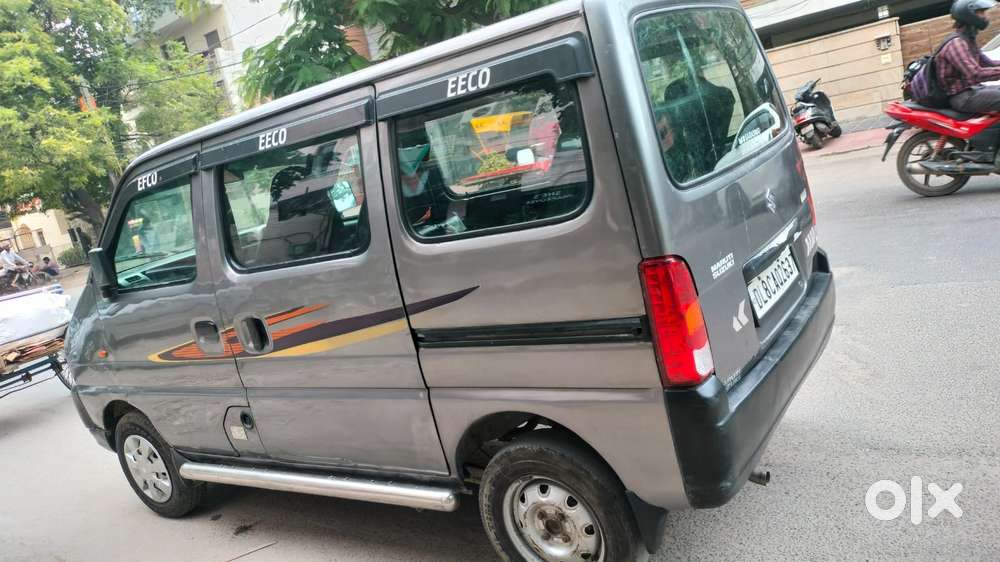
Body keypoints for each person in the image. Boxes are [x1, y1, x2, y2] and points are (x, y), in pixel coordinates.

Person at [937, 0, 1000, 114]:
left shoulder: (968, 40)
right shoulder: (956, 43)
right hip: (962, 97)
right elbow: (975, 74)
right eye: (981, 13)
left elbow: (988, 63)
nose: (985, 16)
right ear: (969, 15)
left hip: (973, 90)